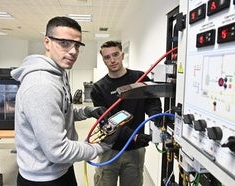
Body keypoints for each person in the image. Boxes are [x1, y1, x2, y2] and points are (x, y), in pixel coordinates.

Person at [11, 16, 118, 186]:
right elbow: (58, 151)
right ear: (47, 42)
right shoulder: (41, 84)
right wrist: (100, 147)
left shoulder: (59, 73)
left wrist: (86, 112)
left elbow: (60, 111)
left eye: (77, 45)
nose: (73, 51)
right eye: (64, 43)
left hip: (60, 170)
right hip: (44, 178)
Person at [90, 40, 162, 186]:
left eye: (115, 55)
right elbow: (107, 121)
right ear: (103, 60)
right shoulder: (98, 88)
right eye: (107, 57)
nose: (112, 60)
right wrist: (133, 136)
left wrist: (156, 116)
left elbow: (151, 100)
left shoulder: (139, 78)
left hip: (134, 151)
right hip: (109, 149)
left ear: (122, 55)